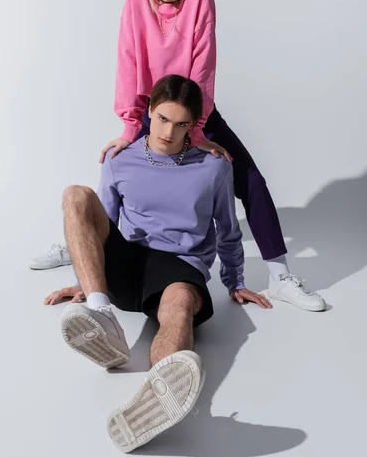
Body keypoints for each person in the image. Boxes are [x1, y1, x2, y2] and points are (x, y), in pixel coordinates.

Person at [33, 0, 325, 312]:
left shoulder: (200, 0)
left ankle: (279, 274)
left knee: (249, 179)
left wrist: (199, 130)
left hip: (196, 111)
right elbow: (128, 64)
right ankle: (80, 251)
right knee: (115, 174)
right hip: (151, 112)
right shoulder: (135, 3)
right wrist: (128, 126)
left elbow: (203, 67)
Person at [44, 76, 272, 453]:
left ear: (194, 125)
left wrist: (234, 281)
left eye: (181, 124)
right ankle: (102, 314)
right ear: (149, 111)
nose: (169, 131)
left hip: (179, 267)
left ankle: (158, 398)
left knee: (179, 306)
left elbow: (228, 229)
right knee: (75, 195)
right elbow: (102, 224)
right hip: (128, 261)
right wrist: (86, 281)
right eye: (163, 118)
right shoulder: (119, 159)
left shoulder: (213, 167)